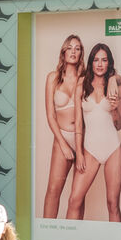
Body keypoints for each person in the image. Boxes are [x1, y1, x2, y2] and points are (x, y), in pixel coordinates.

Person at [69, 43, 121, 222]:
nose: (100, 64)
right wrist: (79, 154)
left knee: (113, 203)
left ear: (109, 63)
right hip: (90, 150)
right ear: (91, 62)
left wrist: (115, 109)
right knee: (74, 200)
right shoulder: (82, 85)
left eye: (104, 60)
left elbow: (118, 125)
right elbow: (78, 123)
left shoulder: (116, 87)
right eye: (96, 60)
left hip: (113, 149)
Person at [42, 34, 86, 219]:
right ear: (64, 51)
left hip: (84, 139)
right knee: (53, 189)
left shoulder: (85, 78)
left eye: (77, 48)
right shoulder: (53, 78)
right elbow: (50, 115)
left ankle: (75, 236)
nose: (73, 52)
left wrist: (114, 83)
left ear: (80, 53)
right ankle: (46, 234)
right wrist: (63, 144)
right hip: (62, 138)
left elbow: (113, 75)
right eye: (70, 48)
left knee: (78, 195)